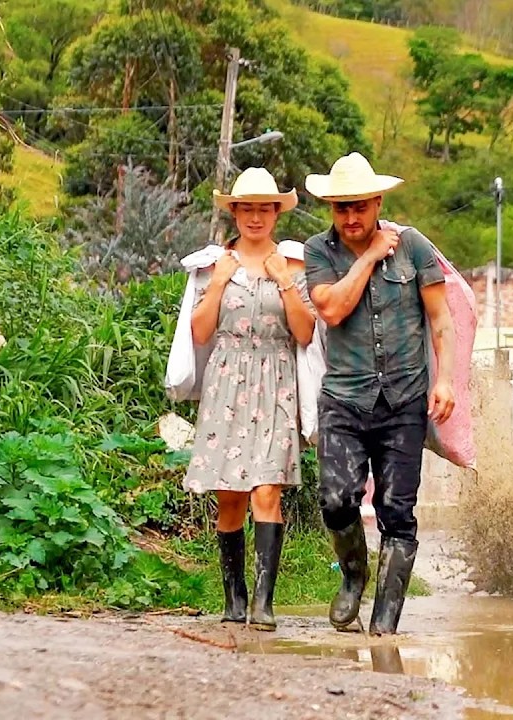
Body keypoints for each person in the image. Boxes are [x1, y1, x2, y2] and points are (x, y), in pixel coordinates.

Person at [302, 152, 456, 636]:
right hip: (344, 400)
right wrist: (370, 256)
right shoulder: (318, 252)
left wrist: (445, 379)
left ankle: (384, 626)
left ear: (378, 203)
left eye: (360, 206)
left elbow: (441, 319)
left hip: (404, 400)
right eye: (341, 208)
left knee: (397, 512)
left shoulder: (413, 247)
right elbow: (331, 309)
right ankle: (353, 575)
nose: (350, 217)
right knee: (336, 500)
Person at [182, 167, 317, 631]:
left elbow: (305, 332)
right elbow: (200, 333)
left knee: (267, 488)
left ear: (277, 213)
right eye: (247, 209)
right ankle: (234, 596)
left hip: (276, 381)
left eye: (265, 208)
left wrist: (284, 282)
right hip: (227, 382)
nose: (256, 217)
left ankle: (263, 601)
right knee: (231, 496)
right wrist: (220, 281)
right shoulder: (213, 265)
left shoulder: (294, 266)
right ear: (235, 213)